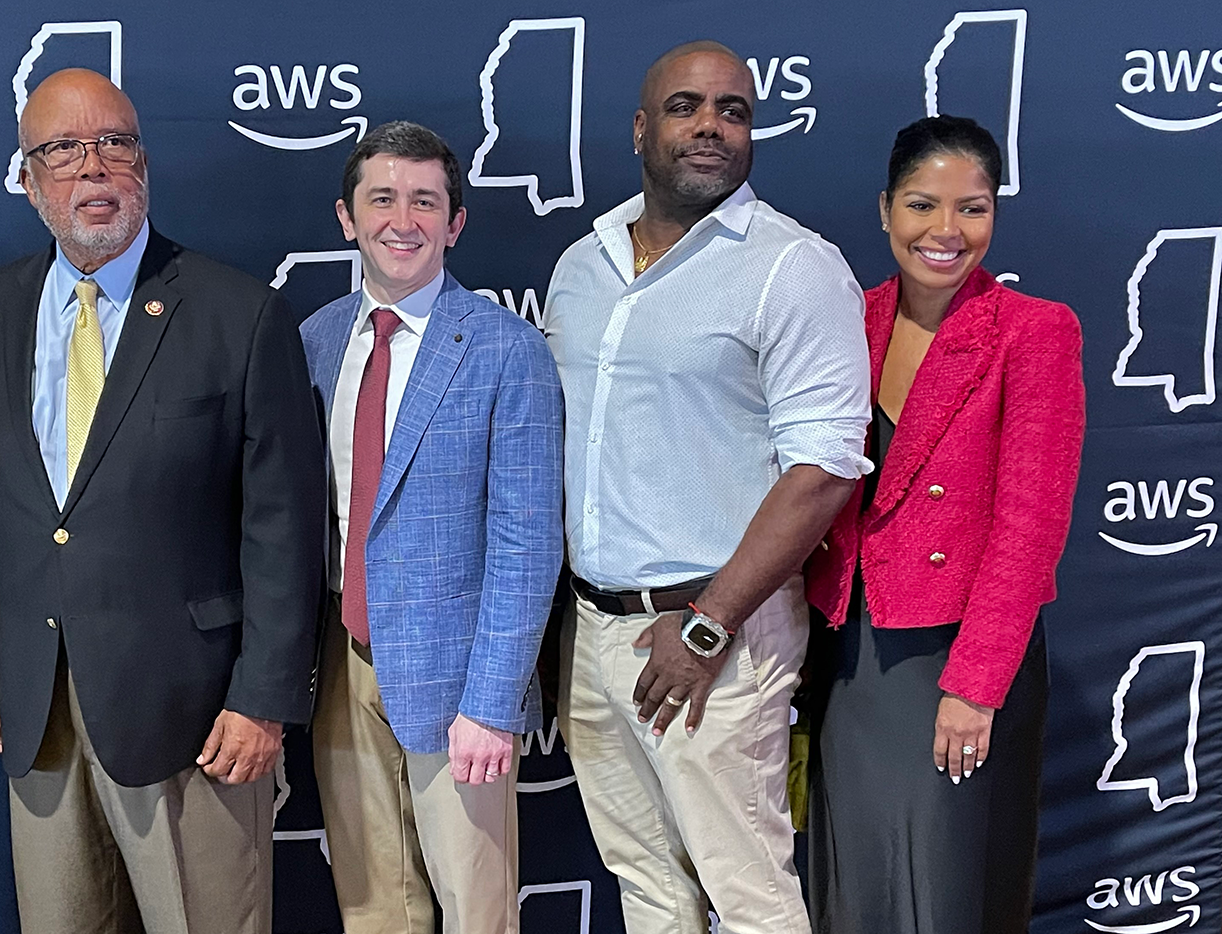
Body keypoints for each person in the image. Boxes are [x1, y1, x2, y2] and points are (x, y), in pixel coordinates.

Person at [0, 68, 325, 934]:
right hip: (35, 716)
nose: (95, 168)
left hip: (194, 719)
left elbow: (283, 527)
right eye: (64, 150)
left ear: (144, 164)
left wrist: (263, 696)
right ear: (29, 178)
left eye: (115, 143)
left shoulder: (240, 314)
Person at [542, 40, 870, 934]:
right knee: (645, 883)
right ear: (642, 129)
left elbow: (824, 469)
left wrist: (709, 623)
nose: (712, 128)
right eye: (687, 107)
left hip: (715, 635)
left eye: (734, 111)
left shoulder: (792, 267)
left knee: (749, 892)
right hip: (593, 631)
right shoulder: (583, 262)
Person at [803, 115, 1084, 934]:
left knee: (949, 882)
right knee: (859, 878)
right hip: (853, 654)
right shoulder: (848, 319)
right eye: (924, 205)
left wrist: (974, 687)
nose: (947, 232)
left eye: (973, 209)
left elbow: (1030, 527)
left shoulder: (1034, 332)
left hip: (959, 659)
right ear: (886, 208)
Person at [300, 121, 564, 933]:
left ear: (454, 223)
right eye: (381, 198)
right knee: (375, 906)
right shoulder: (313, 340)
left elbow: (528, 541)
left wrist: (491, 703)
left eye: (425, 201)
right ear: (347, 217)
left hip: (458, 685)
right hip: (337, 671)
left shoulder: (506, 350)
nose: (401, 220)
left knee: (476, 908)